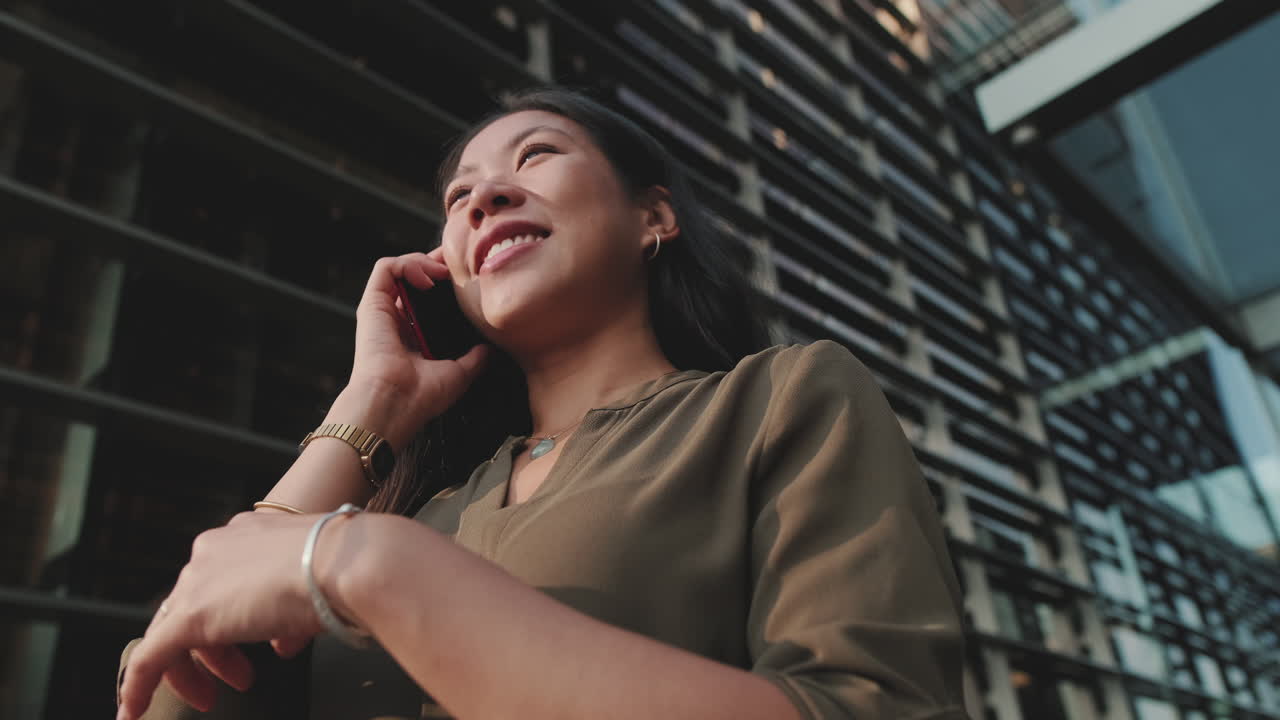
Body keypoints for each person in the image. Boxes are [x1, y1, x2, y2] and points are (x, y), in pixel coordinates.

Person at [116, 87, 971, 720]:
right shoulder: (417, 512)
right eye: (459, 199)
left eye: (537, 156)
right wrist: (368, 407)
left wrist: (374, 568)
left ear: (655, 219)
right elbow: (171, 698)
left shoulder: (781, 399)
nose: (485, 197)